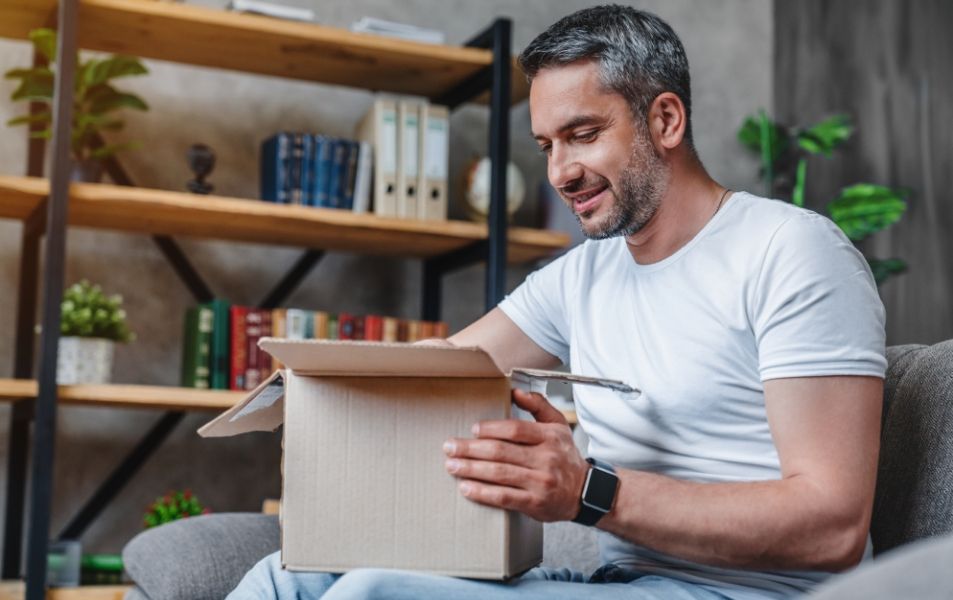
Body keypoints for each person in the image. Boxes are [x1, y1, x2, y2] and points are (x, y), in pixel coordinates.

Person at [229, 5, 886, 599]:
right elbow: (441, 367)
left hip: (753, 594)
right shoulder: (581, 276)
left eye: (582, 134)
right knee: (282, 576)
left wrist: (587, 490)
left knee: (370, 596)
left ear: (664, 119)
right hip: (621, 584)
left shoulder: (790, 252)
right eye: (547, 145)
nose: (559, 173)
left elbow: (832, 528)